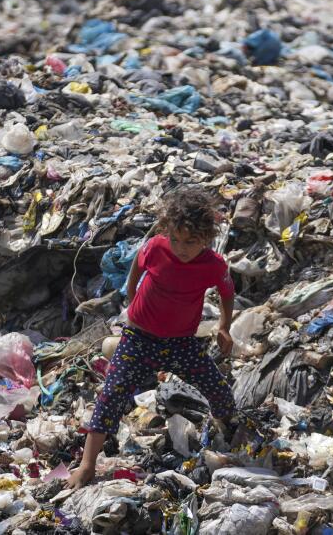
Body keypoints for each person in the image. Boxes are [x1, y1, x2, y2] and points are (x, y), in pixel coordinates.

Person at [67, 187, 237, 489]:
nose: (181, 247)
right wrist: (132, 300)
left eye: (190, 242)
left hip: (181, 343)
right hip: (139, 338)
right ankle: (87, 465)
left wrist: (224, 326)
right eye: (176, 238)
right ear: (166, 231)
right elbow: (137, 267)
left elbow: (227, 293)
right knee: (111, 395)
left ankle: (228, 434)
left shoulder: (213, 265)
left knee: (219, 390)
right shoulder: (156, 248)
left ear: (207, 239)